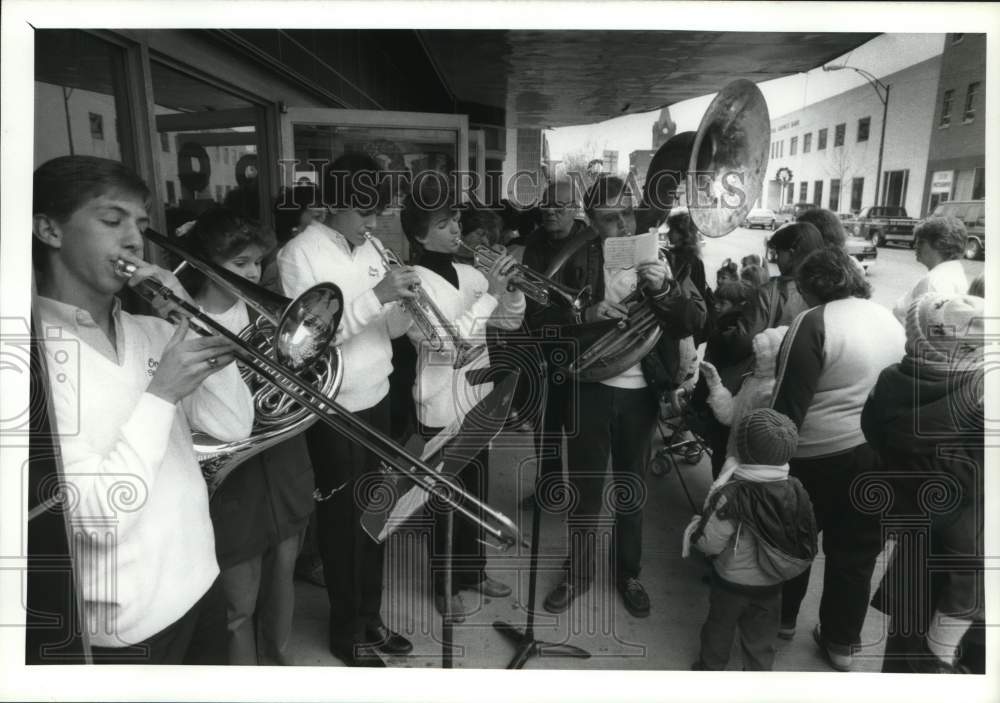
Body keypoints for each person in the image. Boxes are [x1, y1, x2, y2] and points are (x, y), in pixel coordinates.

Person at [31, 155, 254, 663]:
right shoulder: (33, 359)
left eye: (141, 224)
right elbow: (99, 519)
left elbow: (232, 424)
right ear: (49, 229)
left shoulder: (153, 331)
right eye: (112, 221)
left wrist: (193, 322)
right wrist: (162, 392)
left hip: (201, 580)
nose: (135, 239)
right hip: (129, 625)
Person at [541, 175, 706, 618]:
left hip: (641, 394)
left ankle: (628, 573)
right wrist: (584, 312)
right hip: (589, 388)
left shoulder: (664, 258)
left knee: (631, 489)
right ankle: (578, 573)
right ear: (591, 221)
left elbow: (692, 321)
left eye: (629, 213)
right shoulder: (575, 260)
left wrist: (664, 290)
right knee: (585, 490)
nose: (623, 224)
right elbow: (543, 324)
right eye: (610, 218)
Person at [277, 152, 416, 667]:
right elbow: (304, 342)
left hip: (378, 395)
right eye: (364, 213)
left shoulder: (373, 247)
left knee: (374, 516)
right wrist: (375, 295)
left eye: (379, 212)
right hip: (334, 409)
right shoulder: (300, 254)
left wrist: (402, 303)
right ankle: (346, 631)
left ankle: (370, 617)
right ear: (333, 202)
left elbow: (392, 331)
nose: (374, 224)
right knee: (343, 523)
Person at [182, 208, 315, 665]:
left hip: (283, 468)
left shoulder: (268, 311)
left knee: (282, 588)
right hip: (232, 484)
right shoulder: (181, 319)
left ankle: (278, 668)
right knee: (237, 605)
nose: (252, 272)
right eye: (239, 263)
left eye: (257, 262)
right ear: (205, 261)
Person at [770, 247, 906, 672]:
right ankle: (841, 643)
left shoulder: (812, 322)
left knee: (797, 541)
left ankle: (783, 620)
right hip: (876, 456)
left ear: (811, 287)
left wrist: (769, 463)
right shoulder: (886, 317)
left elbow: (787, 406)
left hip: (816, 456)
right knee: (856, 554)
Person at [400, 174, 524, 621]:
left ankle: (473, 572)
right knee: (442, 502)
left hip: (478, 400)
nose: (455, 230)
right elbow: (443, 345)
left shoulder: (473, 274)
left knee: (476, 494)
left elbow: (508, 323)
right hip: (438, 404)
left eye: (455, 221)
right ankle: (444, 583)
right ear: (418, 234)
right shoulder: (409, 283)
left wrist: (509, 290)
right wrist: (489, 297)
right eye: (443, 225)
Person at [862, 293, 985, 674]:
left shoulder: (889, 386)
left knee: (903, 661)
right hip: (967, 578)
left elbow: (873, 432)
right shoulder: (981, 403)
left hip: (919, 555)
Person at [685, 409, 817, 671]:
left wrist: (694, 528)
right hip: (772, 583)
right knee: (761, 638)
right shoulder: (795, 488)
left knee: (719, 628)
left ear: (743, 450)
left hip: (731, 583)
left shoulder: (732, 494)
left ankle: (710, 668)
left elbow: (709, 542)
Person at [519, 178, 591, 511]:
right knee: (545, 430)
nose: (551, 211)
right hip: (546, 349)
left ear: (575, 209)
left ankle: (578, 500)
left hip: (586, 354)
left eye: (560, 206)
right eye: (546, 204)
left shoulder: (593, 243)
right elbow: (533, 301)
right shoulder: (534, 243)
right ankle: (548, 493)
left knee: (580, 433)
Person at [700, 325, 789, 462]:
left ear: (772, 358)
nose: (753, 360)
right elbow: (730, 414)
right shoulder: (754, 380)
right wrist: (715, 383)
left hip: (748, 469)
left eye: (758, 355)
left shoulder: (771, 392)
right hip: (734, 459)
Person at [892, 217, 969, 323]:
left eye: (921, 242)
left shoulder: (933, 282)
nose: (915, 246)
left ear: (940, 244)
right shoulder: (955, 270)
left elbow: (930, 331)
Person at [757, 222, 825, 328]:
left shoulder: (769, 291)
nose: (776, 259)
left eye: (778, 253)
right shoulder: (829, 287)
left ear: (792, 253)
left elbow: (744, 339)